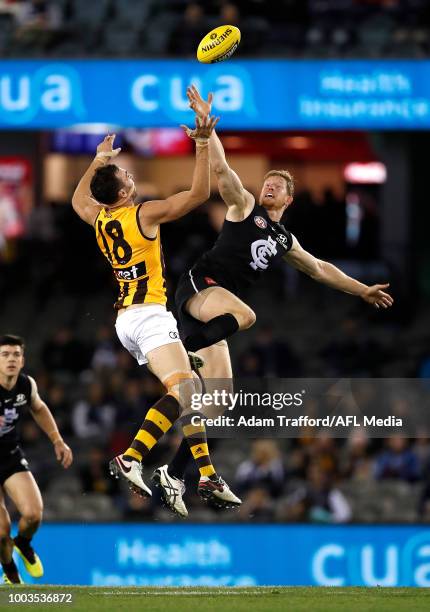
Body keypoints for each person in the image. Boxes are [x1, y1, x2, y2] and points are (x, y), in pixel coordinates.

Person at [153, 84, 394, 516]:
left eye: (277, 185)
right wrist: (207, 134)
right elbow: (224, 173)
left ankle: (172, 473)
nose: (269, 186)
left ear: (289, 199)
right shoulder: (245, 207)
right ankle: (186, 350)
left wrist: (363, 290)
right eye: (267, 181)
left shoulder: (284, 238)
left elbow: (320, 269)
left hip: (213, 309)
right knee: (246, 314)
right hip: (198, 287)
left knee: (219, 405)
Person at [71, 113, 241, 517]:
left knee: (190, 392)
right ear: (125, 191)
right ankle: (131, 457)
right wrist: (201, 142)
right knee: (185, 392)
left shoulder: (100, 218)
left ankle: (204, 475)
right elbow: (199, 195)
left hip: (126, 321)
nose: (131, 176)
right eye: (127, 175)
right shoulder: (141, 214)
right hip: (150, 316)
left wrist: (97, 161)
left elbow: (80, 199)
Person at [0, 334, 73, 584]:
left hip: (9, 456)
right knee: (0, 531)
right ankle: (10, 571)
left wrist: (57, 440)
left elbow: (39, 407)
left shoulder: (26, 384)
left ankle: (23, 542)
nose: (11, 359)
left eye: (16, 355)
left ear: (22, 360)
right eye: (5, 354)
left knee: (33, 514)